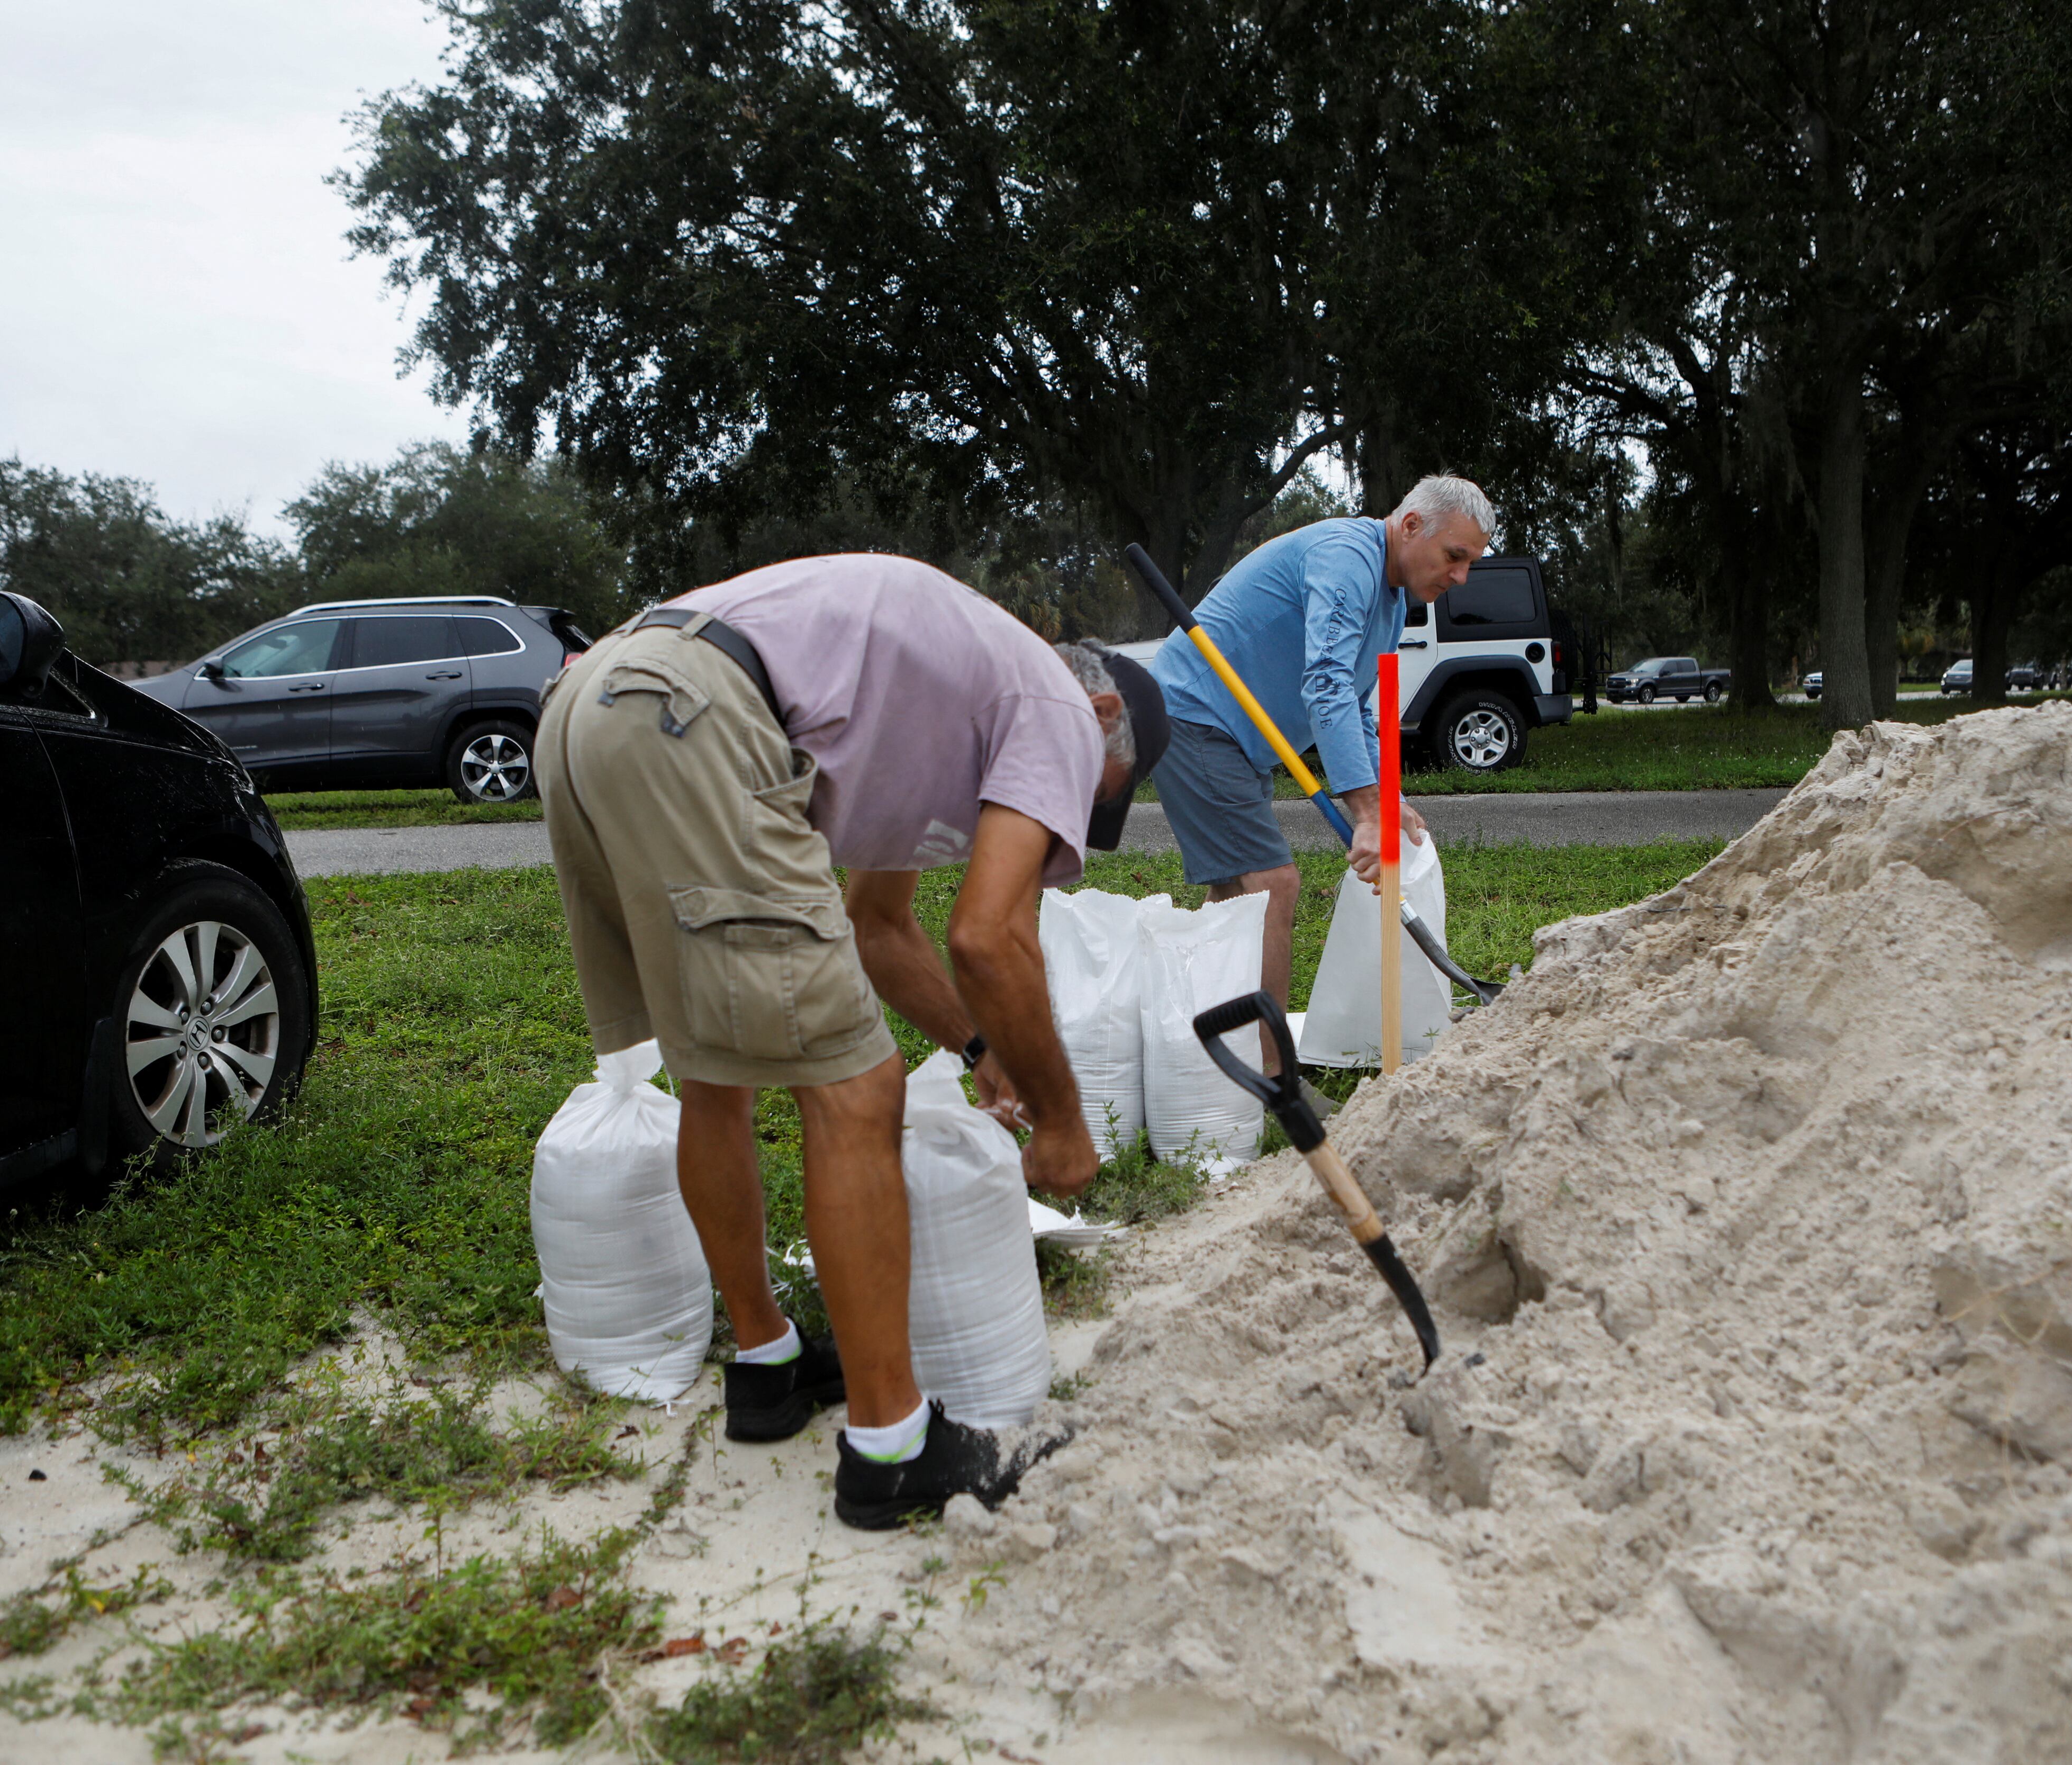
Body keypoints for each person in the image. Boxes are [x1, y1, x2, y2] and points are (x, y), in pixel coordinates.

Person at [537, 555, 1168, 1530]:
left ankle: (768, 1366)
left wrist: (977, 1047)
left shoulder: (938, 697)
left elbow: (881, 926)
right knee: (860, 1090)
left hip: (596, 704)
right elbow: (988, 937)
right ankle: (892, 1448)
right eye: (1083, 797)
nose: (1056, 825)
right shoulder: (1053, 697)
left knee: (715, 1067)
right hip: (694, 712)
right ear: (1096, 718)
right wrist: (1065, 1123)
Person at [1148, 474, 1495, 1068]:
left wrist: (1385, 796)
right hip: (1197, 715)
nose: (1459, 576)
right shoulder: (1346, 560)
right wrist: (1363, 810)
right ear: (1411, 526)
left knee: (1233, 898)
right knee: (1270, 884)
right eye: (1454, 557)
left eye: (1469, 563)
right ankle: (1272, 1078)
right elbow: (1326, 684)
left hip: (1236, 736)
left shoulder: (1389, 599)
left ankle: (1197, 1042)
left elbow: (1359, 701)